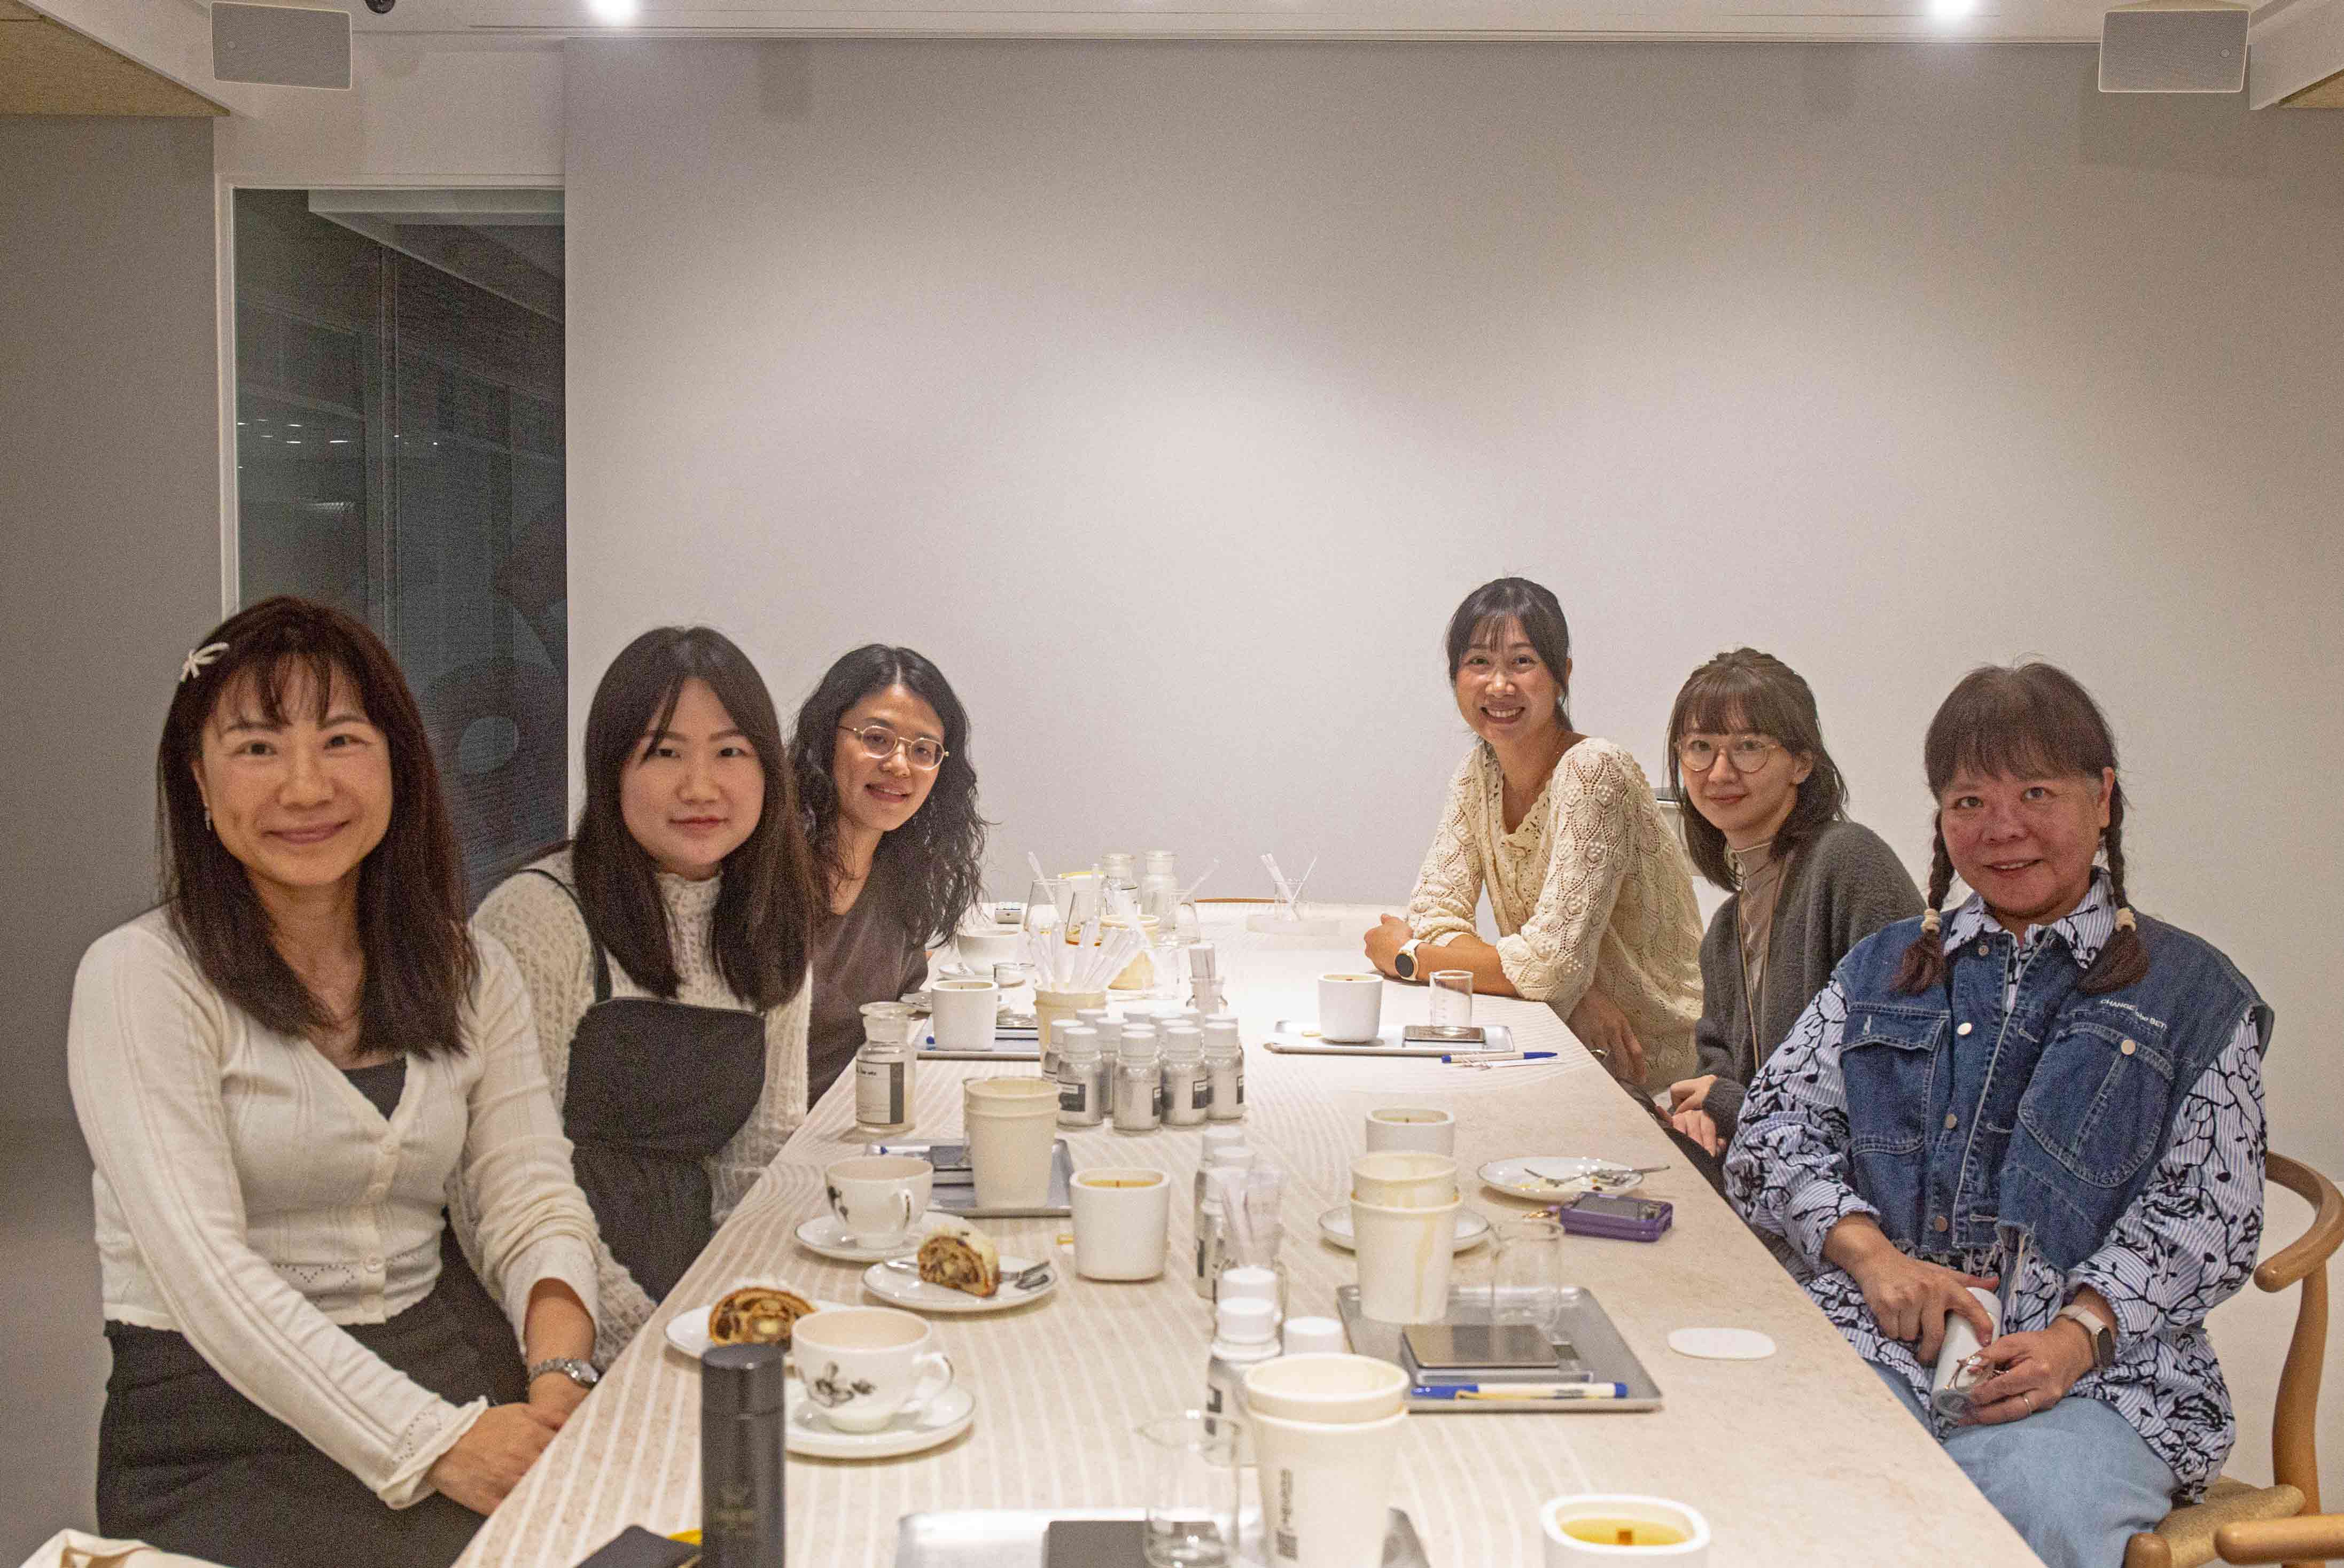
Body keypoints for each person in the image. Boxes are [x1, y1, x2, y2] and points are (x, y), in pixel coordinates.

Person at [69, 597, 601, 1568]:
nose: (305, 785)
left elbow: (527, 1195)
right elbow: (209, 1277)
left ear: (397, 762)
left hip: (441, 1371)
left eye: (342, 739)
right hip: (220, 1427)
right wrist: (436, 1445)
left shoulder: (469, 969)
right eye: (257, 747)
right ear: (197, 780)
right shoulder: (140, 976)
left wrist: (560, 1374)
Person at [1725, 662, 2269, 1568]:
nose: (2001, 827)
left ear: (2102, 798)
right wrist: (1874, 1258)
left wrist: (2074, 1336)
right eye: (1968, 800)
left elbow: (2210, 1212)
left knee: (2012, 1507)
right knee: (1795, 1466)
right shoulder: (1881, 968)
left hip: (2105, 1380)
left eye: (2035, 793)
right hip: (1875, 1336)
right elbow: (1770, 1134)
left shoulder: (2193, 994)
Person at [468, 627, 817, 1363]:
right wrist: (636, 1338)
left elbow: (761, 1157)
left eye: (730, 752)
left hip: (693, 1297)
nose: (700, 787)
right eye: (663, 752)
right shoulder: (536, 917)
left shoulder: (770, 921)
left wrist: (746, 1309)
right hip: (542, 1311)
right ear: (611, 770)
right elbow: (493, 1182)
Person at [1365, 577, 1704, 1093]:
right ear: (1455, 677)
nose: (1499, 685)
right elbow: (1437, 914)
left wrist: (1408, 957)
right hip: (1561, 1036)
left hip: (1652, 1070)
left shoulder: (1593, 770)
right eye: (1478, 662)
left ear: (1561, 675)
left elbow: (1549, 966)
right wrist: (1566, 988)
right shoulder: (1478, 771)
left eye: (1522, 662)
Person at [1660, 649, 1920, 1157]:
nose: (1718, 772)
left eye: (1748, 746)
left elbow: (1899, 1066)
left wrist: (1726, 1103)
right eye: (1700, 747)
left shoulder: (1848, 862)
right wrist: (1700, 1113)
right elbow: (1716, 1072)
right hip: (1768, 1173)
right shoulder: (1725, 931)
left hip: (1855, 1185)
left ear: (1802, 762)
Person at [789, 644, 987, 1104]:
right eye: (877, 739)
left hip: (864, 1112)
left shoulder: (903, 872)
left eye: (923, 750)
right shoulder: (771, 866)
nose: (899, 765)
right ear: (826, 739)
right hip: (779, 1133)